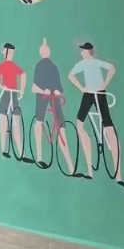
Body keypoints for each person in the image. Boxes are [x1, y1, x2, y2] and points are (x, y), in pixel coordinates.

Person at [69, 42, 124, 186]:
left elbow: (112, 69)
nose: (81, 53)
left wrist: (101, 85)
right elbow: (71, 76)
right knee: (83, 124)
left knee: (107, 127)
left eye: (83, 51)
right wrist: (84, 88)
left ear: (88, 51)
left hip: (96, 94)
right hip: (93, 94)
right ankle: (94, 171)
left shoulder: (90, 62)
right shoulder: (86, 63)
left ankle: (115, 174)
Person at [31, 38, 76, 172]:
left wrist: (57, 91)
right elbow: (34, 88)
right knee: (39, 122)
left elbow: (58, 86)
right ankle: (39, 157)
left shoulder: (54, 67)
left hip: (54, 97)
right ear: (41, 52)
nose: (46, 51)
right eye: (44, 49)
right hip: (42, 97)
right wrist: (43, 91)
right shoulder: (39, 66)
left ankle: (70, 166)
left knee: (61, 128)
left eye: (47, 49)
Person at [0, 42, 25, 158]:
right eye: (9, 52)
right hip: (6, 94)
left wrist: (22, 90)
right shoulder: (1, 65)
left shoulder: (14, 66)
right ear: (4, 52)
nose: (11, 54)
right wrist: (3, 87)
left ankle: (21, 153)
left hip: (14, 94)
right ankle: (3, 150)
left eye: (12, 52)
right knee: (3, 124)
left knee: (16, 124)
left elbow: (23, 74)